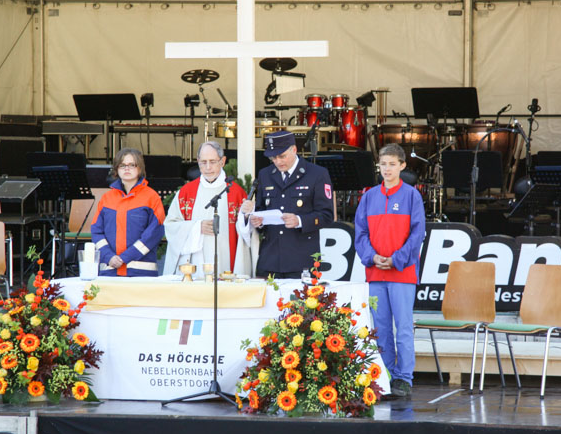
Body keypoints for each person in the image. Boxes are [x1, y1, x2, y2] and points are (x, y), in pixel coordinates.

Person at [354, 143, 425, 398]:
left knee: (403, 328)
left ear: (402, 166)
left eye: (392, 164)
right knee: (380, 329)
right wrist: (371, 257)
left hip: (402, 274)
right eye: (383, 164)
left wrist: (396, 260)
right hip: (375, 274)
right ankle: (386, 374)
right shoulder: (369, 196)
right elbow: (360, 233)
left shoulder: (411, 196)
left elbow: (417, 233)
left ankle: (404, 378)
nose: (387, 169)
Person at [240, 130, 333, 279]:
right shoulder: (265, 174)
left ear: (294, 150)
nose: (278, 161)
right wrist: (257, 221)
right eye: (273, 157)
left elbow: (326, 215)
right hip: (270, 259)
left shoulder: (316, 174)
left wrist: (300, 221)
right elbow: (262, 209)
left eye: (282, 156)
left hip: (301, 258)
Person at [163, 141, 251, 278]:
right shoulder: (186, 192)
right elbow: (170, 225)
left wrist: (246, 217)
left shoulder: (236, 193)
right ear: (198, 161)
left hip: (226, 262)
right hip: (194, 265)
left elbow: (247, 232)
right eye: (203, 162)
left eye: (213, 161)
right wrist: (197, 227)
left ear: (222, 161)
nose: (208, 167)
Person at [91, 147, 166, 277]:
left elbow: (154, 234)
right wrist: (109, 257)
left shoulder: (151, 197)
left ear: (140, 168)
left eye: (132, 165)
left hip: (141, 273)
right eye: (122, 165)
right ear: (116, 169)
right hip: (110, 271)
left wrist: (124, 258)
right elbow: (96, 231)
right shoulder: (106, 198)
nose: (127, 168)